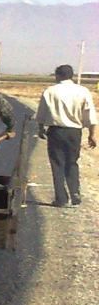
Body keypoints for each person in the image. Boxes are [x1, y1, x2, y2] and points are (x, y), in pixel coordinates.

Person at [35, 64, 97, 207]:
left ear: (58, 75)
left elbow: (41, 113)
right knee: (72, 162)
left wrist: (40, 128)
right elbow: (90, 114)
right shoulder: (83, 91)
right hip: (74, 132)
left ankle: (61, 198)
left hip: (56, 131)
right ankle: (75, 192)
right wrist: (92, 134)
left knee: (57, 164)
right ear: (71, 76)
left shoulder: (50, 91)